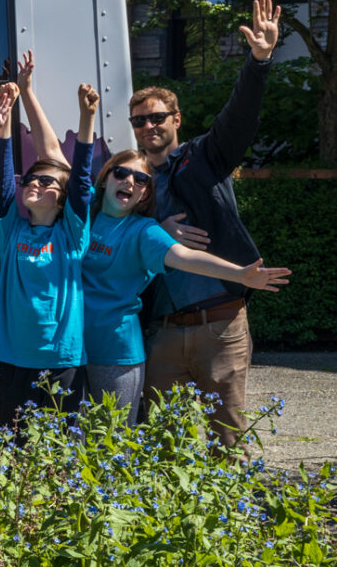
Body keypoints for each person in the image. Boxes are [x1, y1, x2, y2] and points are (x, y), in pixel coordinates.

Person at [137, 0, 283, 447]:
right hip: (162, 332)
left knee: (229, 444)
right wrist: (162, 231)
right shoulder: (132, 181)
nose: (149, 127)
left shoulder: (202, 158)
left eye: (158, 117)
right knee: (167, 449)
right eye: (139, 121)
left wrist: (258, 61)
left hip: (220, 327)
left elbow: (237, 120)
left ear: (176, 120)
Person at [83, 148, 287, 422]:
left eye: (141, 179)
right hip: (72, 346)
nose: (130, 181)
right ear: (105, 178)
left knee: (112, 440)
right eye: (121, 173)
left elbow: (184, 256)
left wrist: (239, 274)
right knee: (72, 436)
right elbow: (54, 158)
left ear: (145, 194)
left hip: (115, 352)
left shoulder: (144, 231)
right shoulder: (85, 211)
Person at [0, 76, 97, 427]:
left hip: (62, 358)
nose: (34, 183)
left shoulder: (72, 234)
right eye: (31, 180)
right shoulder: (13, 229)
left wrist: (86, 119)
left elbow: (80, 181)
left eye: (45, 181)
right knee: (16, 448)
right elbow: (3, 185)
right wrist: (2, 129)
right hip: (15, 357)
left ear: (61, 198)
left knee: (58, 450)